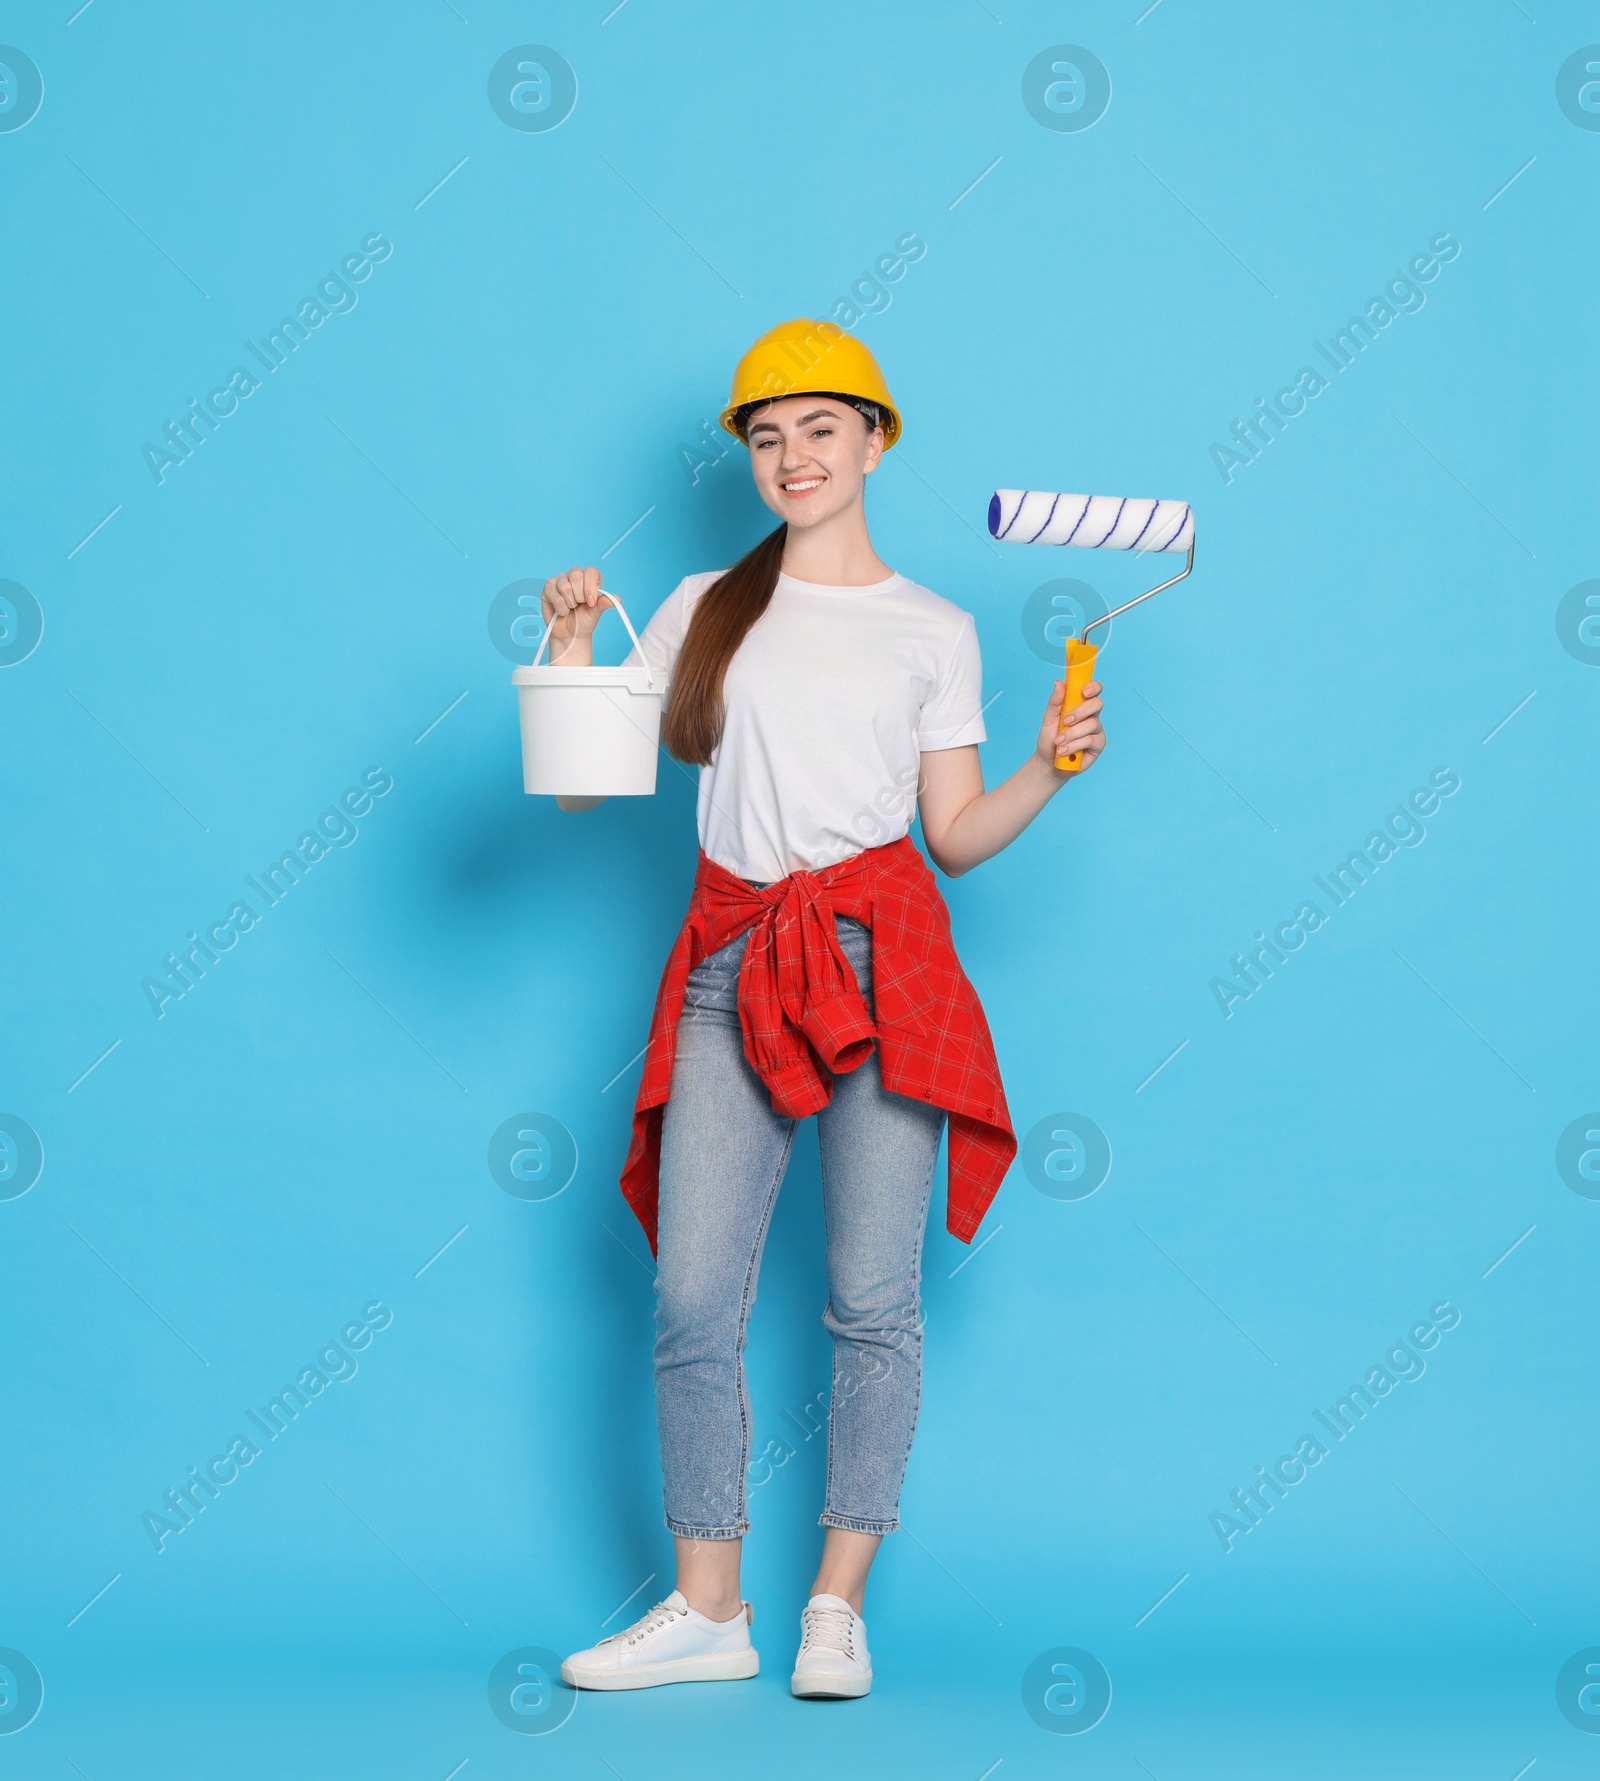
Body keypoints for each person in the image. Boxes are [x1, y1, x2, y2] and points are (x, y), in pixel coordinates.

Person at [548, 321, 1104, 1699]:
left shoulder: (935, 629)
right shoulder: (701, 606)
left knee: (871, 1297)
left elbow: (956, 835)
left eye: (818, 428)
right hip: (735, 960)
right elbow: (578, 789)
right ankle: (710, 1604)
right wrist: (569, 651)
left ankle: (836, 1608)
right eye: (765, 434)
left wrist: (1046, 765)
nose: (791, 456)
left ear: (875, 439)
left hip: (880, 963)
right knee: (690, 1297)